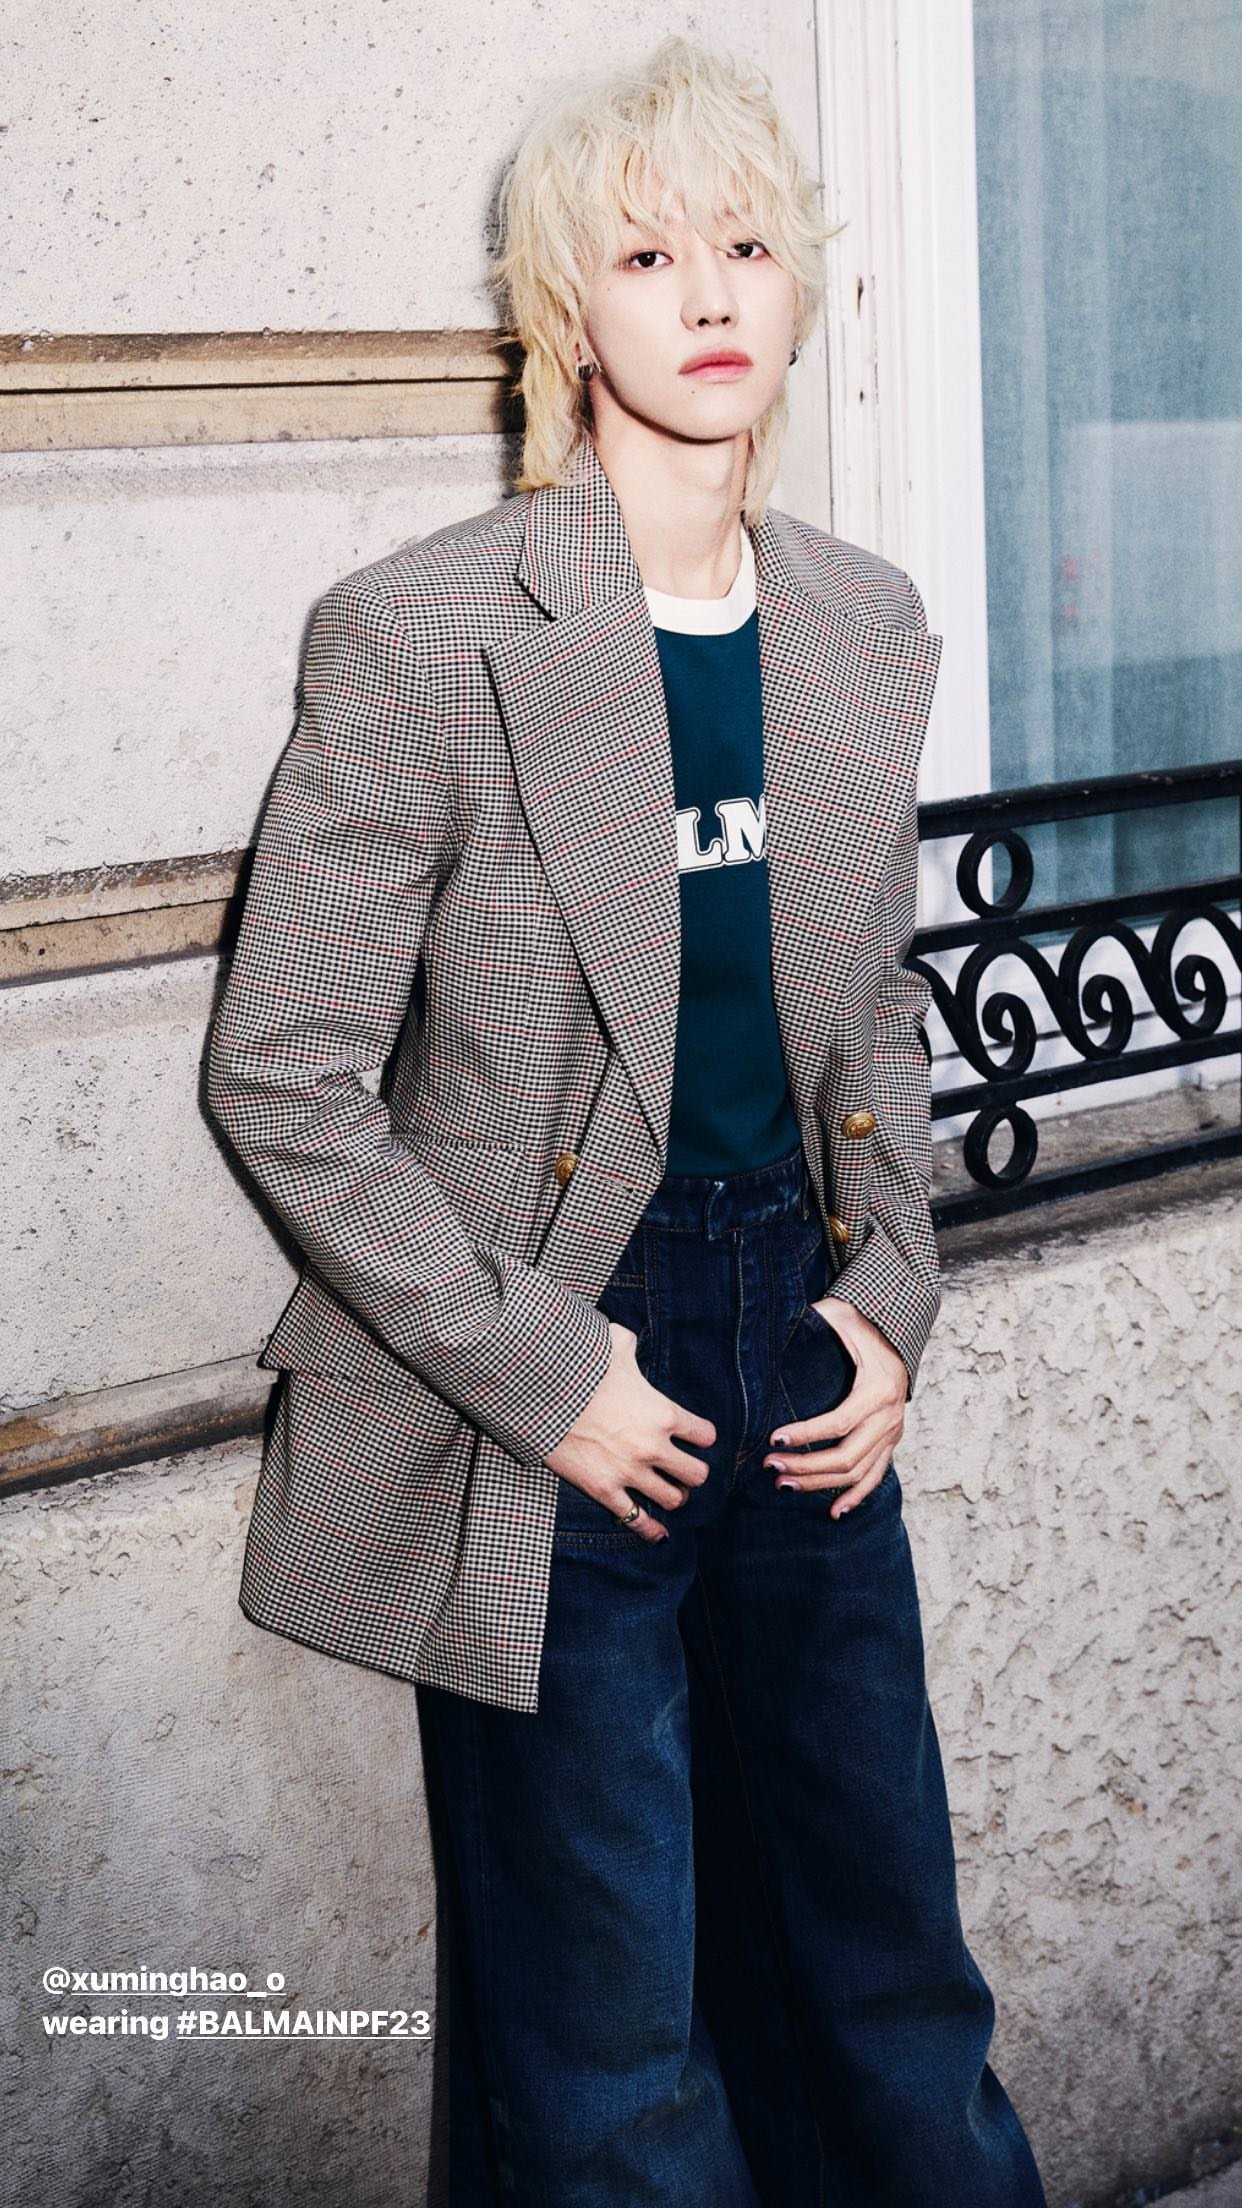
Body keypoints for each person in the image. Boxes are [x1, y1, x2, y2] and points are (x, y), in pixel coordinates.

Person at [207, 32, 1047, 2207]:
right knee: (608, 2046)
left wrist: (896, 1300)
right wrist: (546, 1371)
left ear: (801, 289)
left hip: (800, 1343)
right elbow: (282, 1074)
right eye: (649, 253)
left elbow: (872, 1024)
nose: (708, 293)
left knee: (891, 1967)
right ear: (567, 309)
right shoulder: (423, 633)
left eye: (746, 246)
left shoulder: (861, 621)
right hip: (553, 1356)